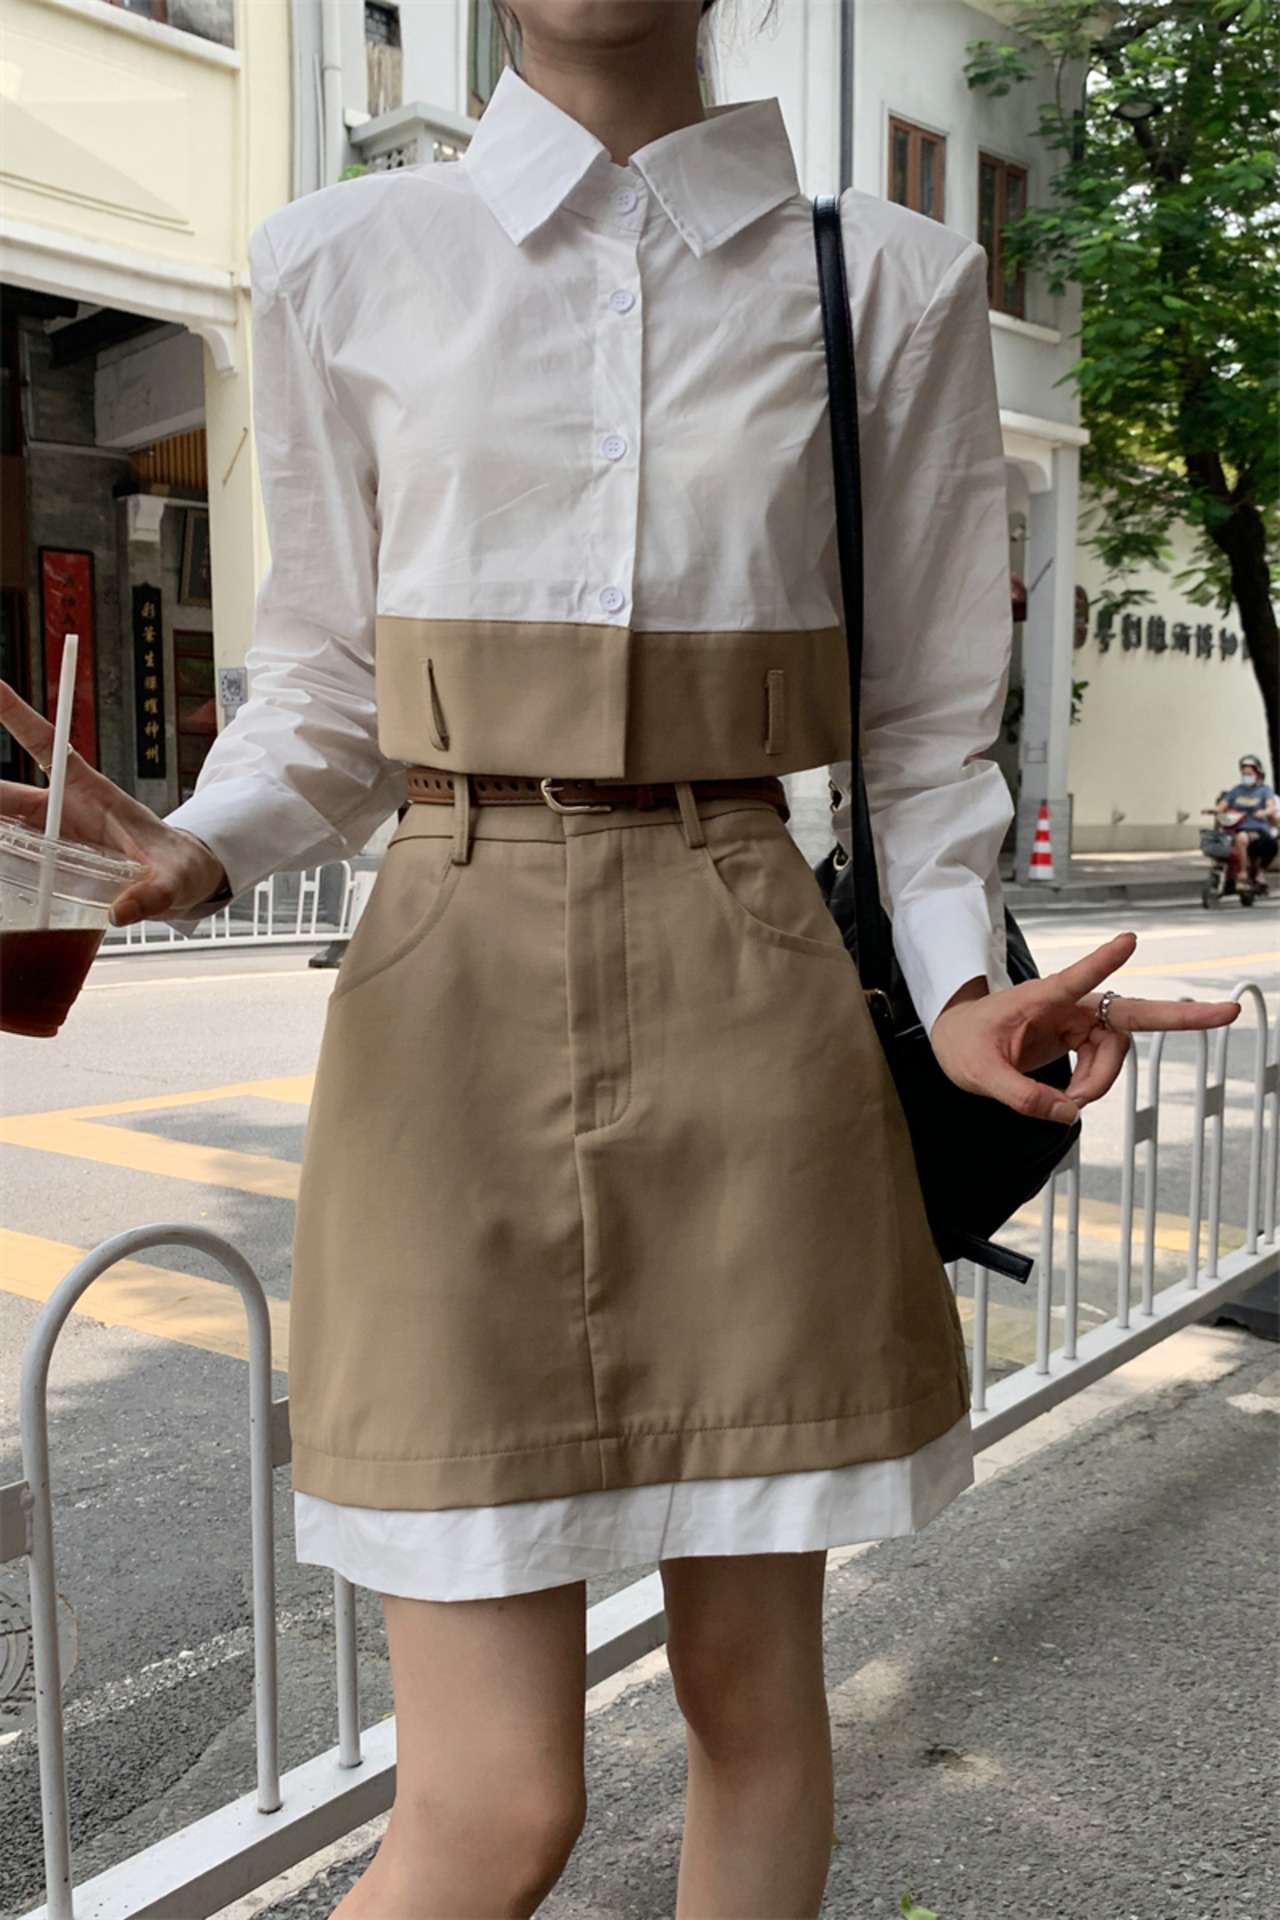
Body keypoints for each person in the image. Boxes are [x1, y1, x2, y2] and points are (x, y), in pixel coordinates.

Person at [0, 5, 1241, 1915]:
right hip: (446, 1006)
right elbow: (325, 690)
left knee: (754, 1704)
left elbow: (923, 736)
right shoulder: (338, 259)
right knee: (494, 1803)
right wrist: (200, 840)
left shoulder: (887, 282)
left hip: (757, 986)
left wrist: (953, 988)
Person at [1214, 754, 1279, 895]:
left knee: (1247, 838)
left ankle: (1243, 873)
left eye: (1249, 774)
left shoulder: (1265, 790)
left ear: (1258, 774)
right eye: (1244, 774)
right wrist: (1215, 810)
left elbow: (1270, 807)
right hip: (1237, 827)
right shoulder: (1237, 790)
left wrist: (1265, 812)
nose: (1246, 777)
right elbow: (1223, 805)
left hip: (1256, 829)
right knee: (1225, 841)